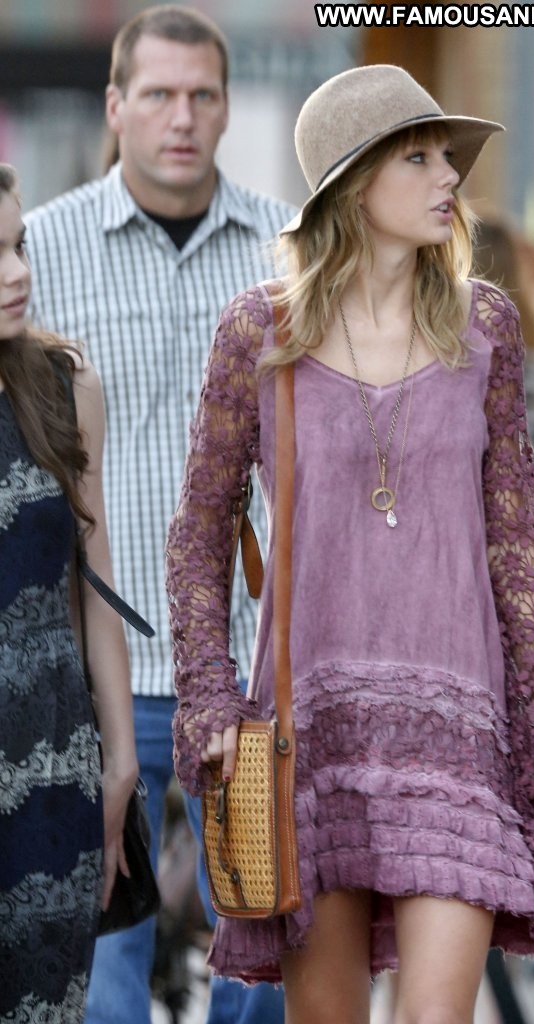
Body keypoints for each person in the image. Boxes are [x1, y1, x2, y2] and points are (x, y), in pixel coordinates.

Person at [165, 64, 534, 1024]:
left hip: (458, 734)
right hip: (314, 735)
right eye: (418, 158)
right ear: (353, 183)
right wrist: (207, 693)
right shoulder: (261, 333)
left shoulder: (484, 329)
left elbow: (516, 550)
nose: (449, 177)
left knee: (438, 1015)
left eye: (447, 156)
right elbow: (200, 531)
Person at [23, 6, 294, 1023]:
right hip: (102, 669)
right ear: (116, 106)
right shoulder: (41, 250)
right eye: (158, 95)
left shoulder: (288, 249)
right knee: (100, 979)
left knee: (261, 963)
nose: (181, 117)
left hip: (250, 670)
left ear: (226, 107)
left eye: (201, 95)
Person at [0, 163, 138, 1022]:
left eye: (17, 245)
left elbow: (95, 583)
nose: (17, 271)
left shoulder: (63, 385)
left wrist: (118, 760)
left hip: (53, 770)